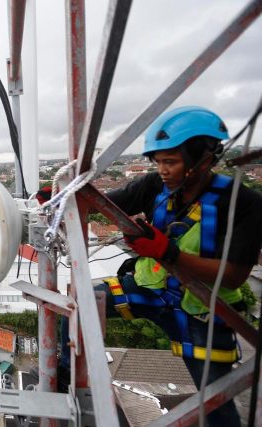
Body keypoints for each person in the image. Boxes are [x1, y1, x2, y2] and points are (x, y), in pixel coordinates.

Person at [56, 106, 262, 426]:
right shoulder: (154, 187)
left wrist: (171, 254)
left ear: (204, 158)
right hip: (152, 289)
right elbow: (101, 204)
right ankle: (67, 381)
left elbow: (233, 277)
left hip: (201, 309)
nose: (162, 170)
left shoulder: (241, 203)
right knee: (78, 304)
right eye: (159, 162)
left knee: (217, 407)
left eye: (171, 162)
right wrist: (61, 196)